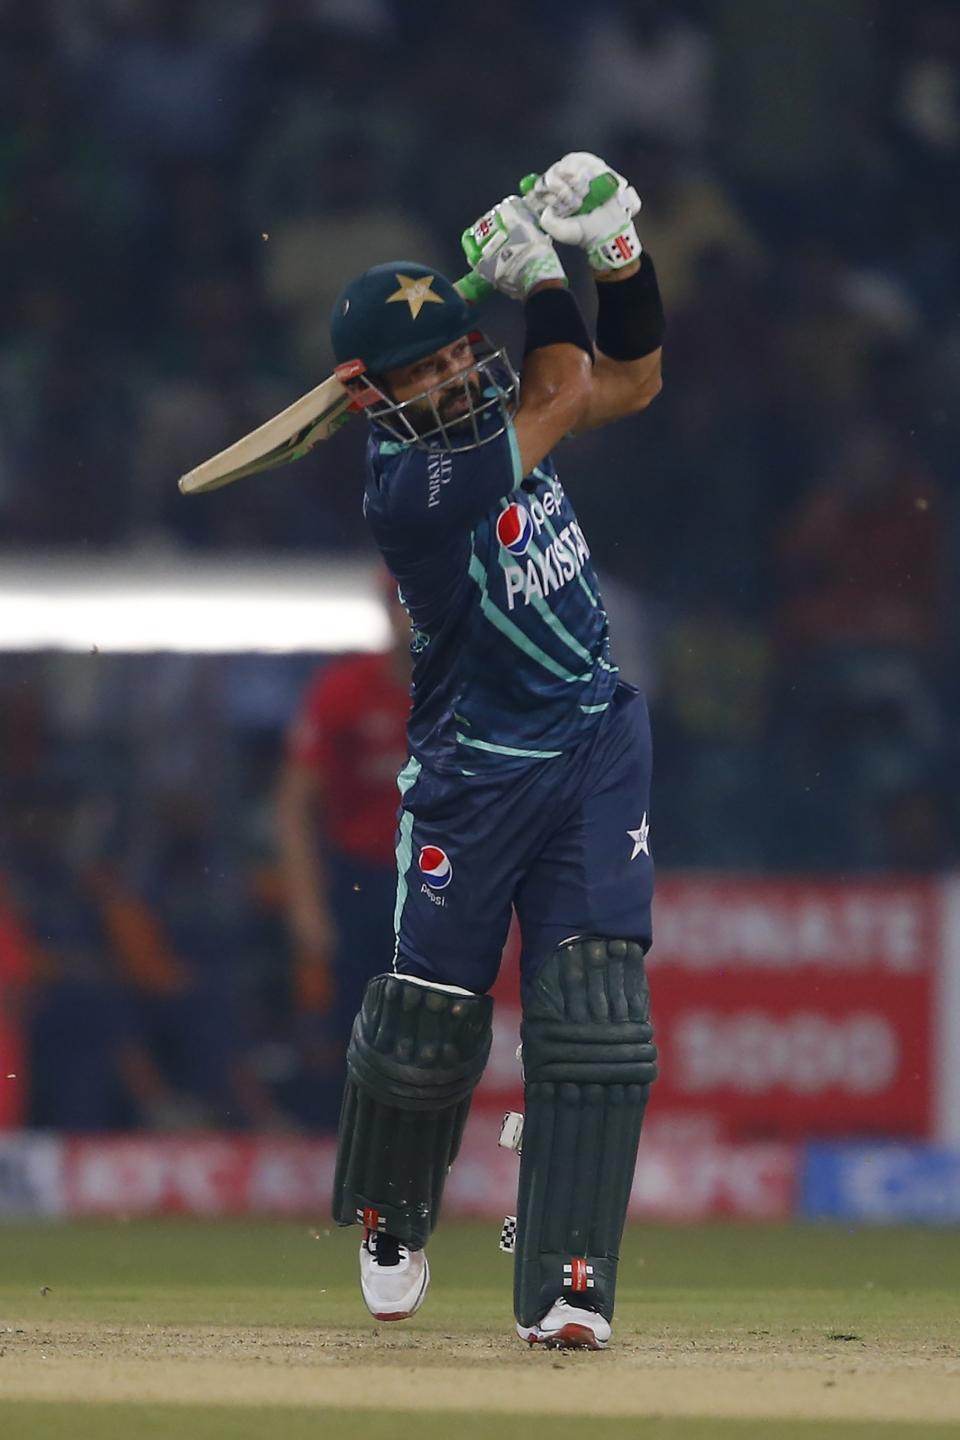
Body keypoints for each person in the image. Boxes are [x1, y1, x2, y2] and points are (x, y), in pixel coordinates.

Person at [328, 152, 663, 1350]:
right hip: (474, 770)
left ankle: (569, 1280)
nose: (458, 368)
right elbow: (567, 388)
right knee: (430, 1029)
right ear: (377, 397)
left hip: (588, 736)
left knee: (592, 1014)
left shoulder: (496, 406)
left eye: (460, 345)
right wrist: (546, 276)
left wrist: (617, 254)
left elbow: (628, 378)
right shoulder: (409, 491)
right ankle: (391, 1215)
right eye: (425, 367)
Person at [275, 581, 412, 1117]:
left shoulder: (459, 691)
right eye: (401, 600)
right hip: (358, 879)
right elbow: (293, 802)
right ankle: (344, 1141)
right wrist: (306, 904)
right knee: (352, 1021)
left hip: (432, 882)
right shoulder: (345, 690)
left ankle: (418, 1142)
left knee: (425, 1020)